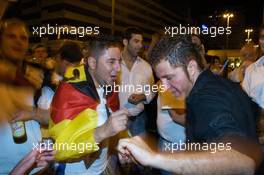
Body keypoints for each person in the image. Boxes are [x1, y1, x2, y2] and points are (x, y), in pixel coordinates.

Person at [117, 36, 263, 175]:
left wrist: (152, 157)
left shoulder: (205, 99)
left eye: (169, 77)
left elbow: (243, 163)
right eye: (161, 80)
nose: (165, 87)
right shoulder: (222, 85)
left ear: (191, 67)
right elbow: (255, 116)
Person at [49, 38, 129, 174]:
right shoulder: (69, 91)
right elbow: (59, 149)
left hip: (103, 167)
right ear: (92, 62)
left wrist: (123, 145)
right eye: (111, 62)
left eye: (119, 62)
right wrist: (102, 131)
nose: (119, 68)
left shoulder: (109, 86)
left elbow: (113, 124)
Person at [0, 18, 54, 174]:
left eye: (23, 38)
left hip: (39, 166)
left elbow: (52, 117)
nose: (17, 41)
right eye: (11, 36)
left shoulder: (34, 77)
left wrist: (32, 113)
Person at [118, 27, 155, 136]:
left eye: (141, 42)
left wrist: (143, 96)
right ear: (125, 42)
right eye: (136, 41)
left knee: (140, 152)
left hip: (139, 120)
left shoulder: (146, 66)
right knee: (116, 152)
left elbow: (152, 89)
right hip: (116, 119)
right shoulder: (114, 63)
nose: (140, 45)